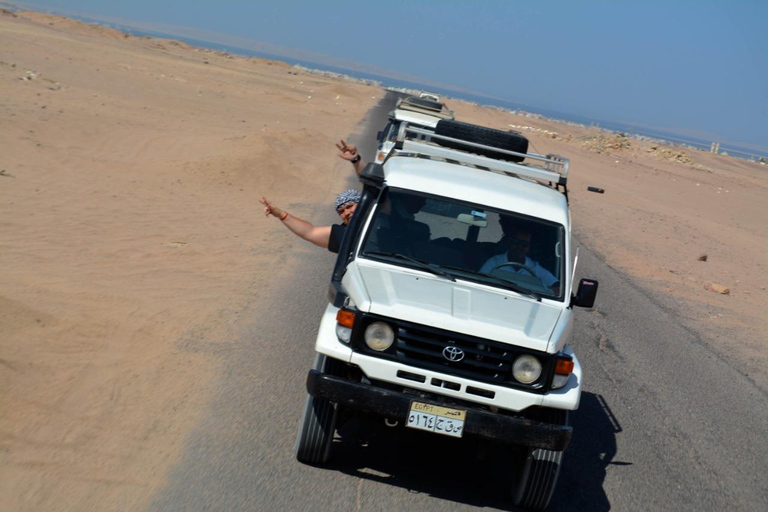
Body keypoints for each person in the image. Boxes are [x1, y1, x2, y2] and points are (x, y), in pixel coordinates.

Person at [260, 189, 360, 253]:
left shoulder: (375, 223)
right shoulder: (345, 234)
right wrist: (280, 214)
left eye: (350, 206)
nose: (346, 213)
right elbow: (310, 232)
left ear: (361, 204)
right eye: (341, 211)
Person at [479, 224, 559, 293]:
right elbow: (480, 281)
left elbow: (557, 287)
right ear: (510, 242)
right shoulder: (494, 262)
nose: (520, 247)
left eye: (524, 244)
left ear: (529, 247)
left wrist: (544, 290)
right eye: (516, 242)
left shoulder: (534, 268)